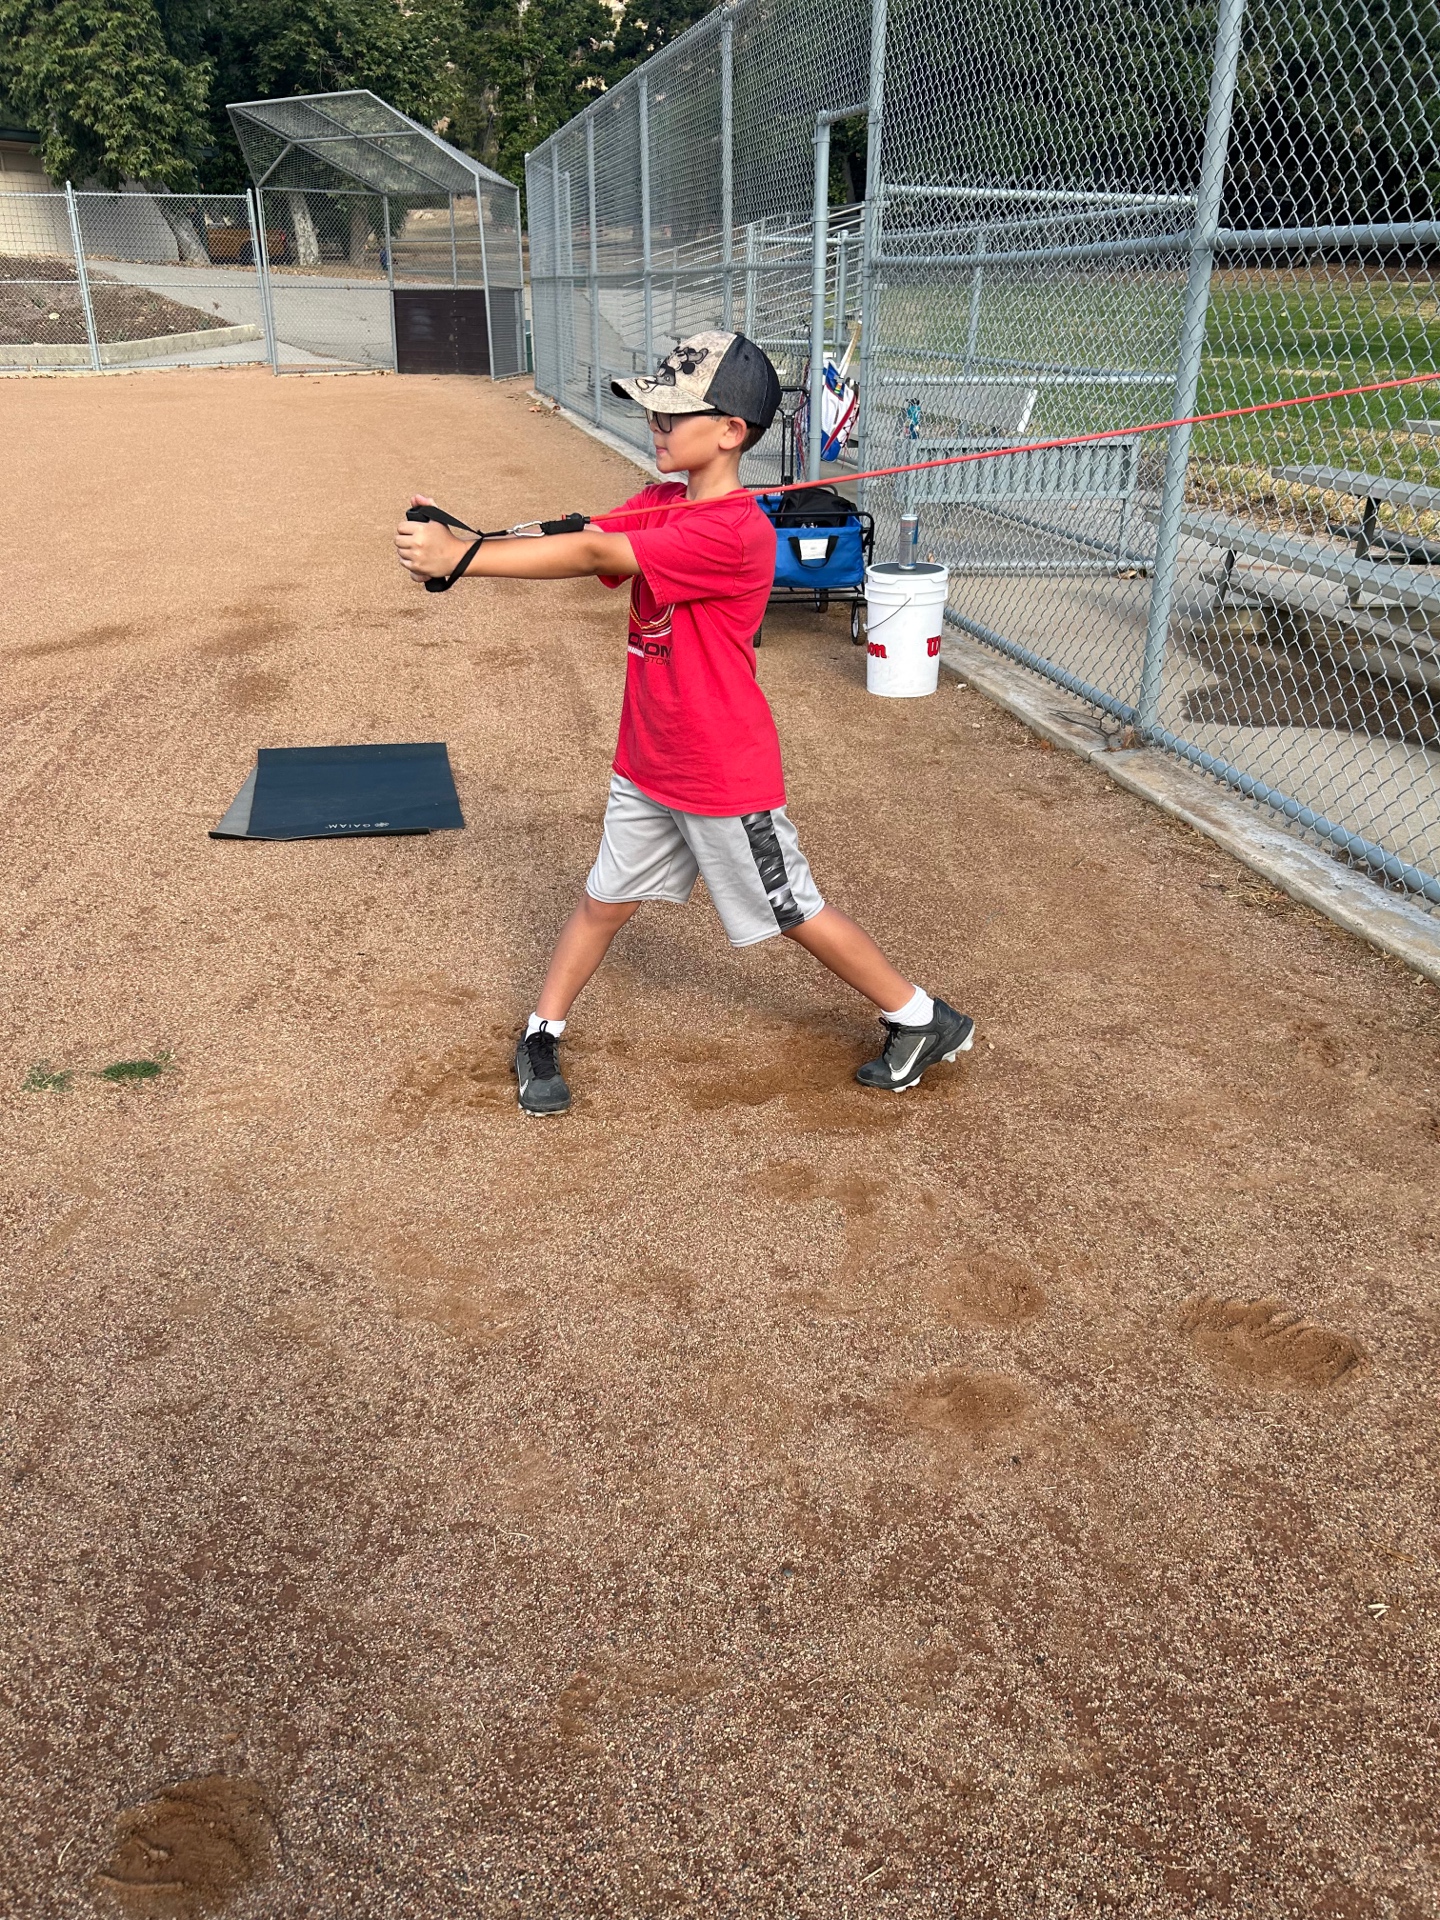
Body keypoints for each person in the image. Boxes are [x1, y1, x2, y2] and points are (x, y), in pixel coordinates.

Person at [395, 330, 974, 1117]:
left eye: (672, 416)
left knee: (792, 909)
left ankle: (920, 1017)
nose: (655, 429)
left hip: (719, 773)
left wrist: (461, 562)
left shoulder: (732, 533)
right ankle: (543, 1028)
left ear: (731, 431)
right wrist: (471, 538)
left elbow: (598, 551)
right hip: (650, 758)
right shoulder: (667, 502)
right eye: (654, 414)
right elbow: (587, 534)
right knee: (604, 898)